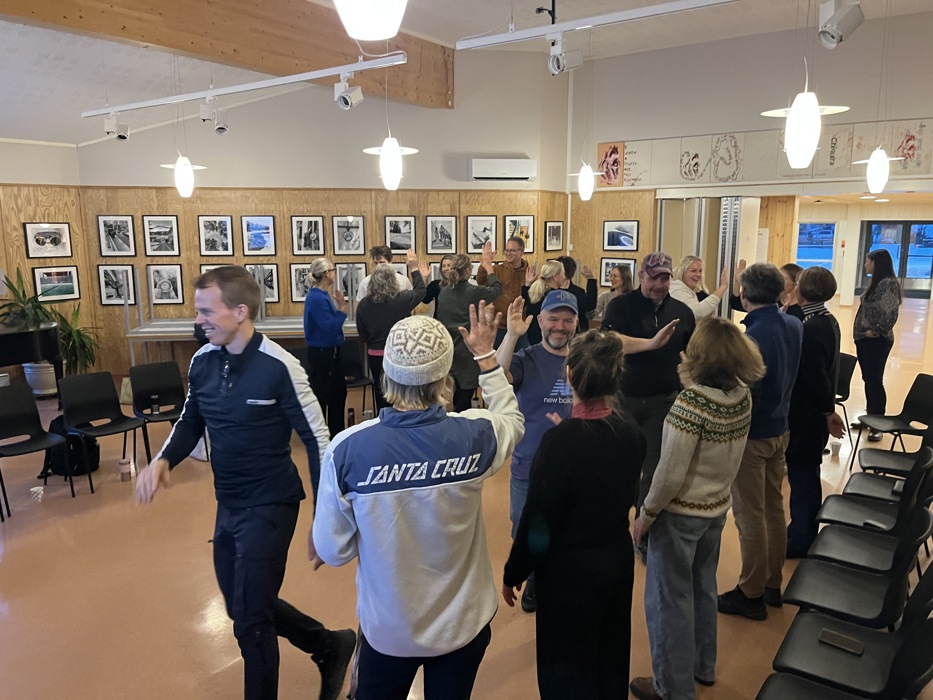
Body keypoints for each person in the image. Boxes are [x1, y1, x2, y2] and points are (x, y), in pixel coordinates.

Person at [135, 265, 355, 700]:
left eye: (206, 311)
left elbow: (319, 442)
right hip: (230, 502)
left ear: (239, 311)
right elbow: (191, 420)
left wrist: (324, 517)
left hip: (272, 503)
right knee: (243, 606)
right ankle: (329, 645)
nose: (198, 320)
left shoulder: (281, 366)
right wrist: (163, 461)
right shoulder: (202, 361)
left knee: (251, 624)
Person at [311, 308, 525, 700]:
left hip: (389, 632)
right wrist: (486, 356)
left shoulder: (348, 450)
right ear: (445, 379)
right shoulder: (476, 434)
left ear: (386, 375)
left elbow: (332, 550)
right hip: (463, 626)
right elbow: (512, 419)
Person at [502, 330, 646, 699]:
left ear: (568, 375)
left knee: (566, 666)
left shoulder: (559, 442)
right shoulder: (632, 431)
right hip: (616, 561)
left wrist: (515, 571)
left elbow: (538, 522)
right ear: (616, 376)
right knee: (609, 655)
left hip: (568, 573)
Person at [629, 317, 765, 700]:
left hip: (679, 516)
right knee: (704, 588)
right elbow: (712, 410)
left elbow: (669, 473)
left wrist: (646, 514)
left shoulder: (689, 406)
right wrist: (691, 386)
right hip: (715, 511)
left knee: (669, 601)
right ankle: (703, 666)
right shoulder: (741, 395)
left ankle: (672, 688)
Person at [718, 263, 802, 621]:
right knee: (773, 509)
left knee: (749, 513)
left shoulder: (748, 339)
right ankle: (771, 583)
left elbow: (744, 392)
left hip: (753, 435)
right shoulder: (794, 324)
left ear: (743, 294)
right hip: (781, 428)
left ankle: (750, 592)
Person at [601, 252, 696, 559]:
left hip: (663, 402)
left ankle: (643, 533)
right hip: (623, 399)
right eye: (654, 277)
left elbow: (690, 356)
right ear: (641, 276)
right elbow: (610, 342)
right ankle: (613, 527)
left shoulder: (682, 312)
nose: (659, 284)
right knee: (620, 467)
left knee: (654, 470)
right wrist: (651, 343)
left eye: (665, 278)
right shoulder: (620, 306)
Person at [495, 290, 579, 613]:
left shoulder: (583, 360)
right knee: (524, 528)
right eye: (553, 318)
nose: (560, 326)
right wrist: (511, 336)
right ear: (540, 320)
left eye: (567, 320)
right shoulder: (525, 358)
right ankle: (532, 576)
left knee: (565, 528)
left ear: (576, 323)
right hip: (528, 465)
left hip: (572, 466)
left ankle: (548, 581)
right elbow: (497, 376)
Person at [785, 267, 846, 557]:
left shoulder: (810, 328)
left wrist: (827, 412)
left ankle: (801, 538)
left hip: (807, 415)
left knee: (803, 476)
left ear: (803, 289)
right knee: (806, 473)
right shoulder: (826, 319)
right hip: (813, 414)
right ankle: (801, 529)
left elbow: (816, 376)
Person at [356, 252, 427, 412]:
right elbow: (421, 291)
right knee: (401, 392)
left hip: (375, 354)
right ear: (393, 281)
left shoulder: (364, 304)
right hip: (399, 353)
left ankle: (383, 419)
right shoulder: (401, 299)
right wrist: (414, 268)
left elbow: (362, 333)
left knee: (380, 391)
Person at [436, 244, 502, 412]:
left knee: (448, 394)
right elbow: (497, 289)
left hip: (448, 348)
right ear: (467, 270)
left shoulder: (443, 292)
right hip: (467, 349)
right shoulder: (473, 291)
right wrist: (489, 267)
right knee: (464, 399)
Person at [854, 248, 901, 441]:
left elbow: (890, 312)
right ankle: (870, 417)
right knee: (869, 379)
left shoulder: (888, 284)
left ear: (876, 263)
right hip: (864, 339)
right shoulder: (877, 282)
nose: (865, 264)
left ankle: (878, 423)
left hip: (877, 341)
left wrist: (877, 330)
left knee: (874, 380)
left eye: (868, 261)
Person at [303, 258, 348, 437]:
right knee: (325, 395)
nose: (334, 273)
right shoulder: (316, 298)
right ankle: (324, 435)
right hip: (323, 354)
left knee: (338, 393)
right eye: (332, 270)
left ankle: (336, 433)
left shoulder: (322, 295)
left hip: (330, 352)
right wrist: (342, 309)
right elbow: (330, 327)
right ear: (326, 274)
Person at [476, 234, 530, 348]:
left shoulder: (529, 272)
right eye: (507, 250)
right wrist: (486, 263)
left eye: (512, 250)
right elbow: (480, 280)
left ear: (521, 252)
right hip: (499, 326)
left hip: (520, 326)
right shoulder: (497, 270)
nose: (508, 253)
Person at [669, 255, 728, 320]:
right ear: (682, 272)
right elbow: (698, 313)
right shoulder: (677, 290)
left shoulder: (688, 290)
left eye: (700, 271)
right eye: (693, 271)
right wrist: (723, 287)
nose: (698, 274)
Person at [523, 260, 566, 345]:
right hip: (547, 338)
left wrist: (527, 284)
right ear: (555, 276)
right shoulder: (556, 296)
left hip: (532, 337)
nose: (564, 277)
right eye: (563, 273)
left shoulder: (534, 290)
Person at [556, 255, 598, 332]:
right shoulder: (550, 291)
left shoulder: (578, 292)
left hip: (574, 333)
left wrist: (591, 280)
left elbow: (590, 304)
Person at [422, 254, 455, 318]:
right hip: (439, 322)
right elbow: (425, 299)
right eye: (443, 266)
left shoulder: (461, 285)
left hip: (457, 322)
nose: (446, 269)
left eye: (449, 265)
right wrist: (425, 278)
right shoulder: (436, 285)